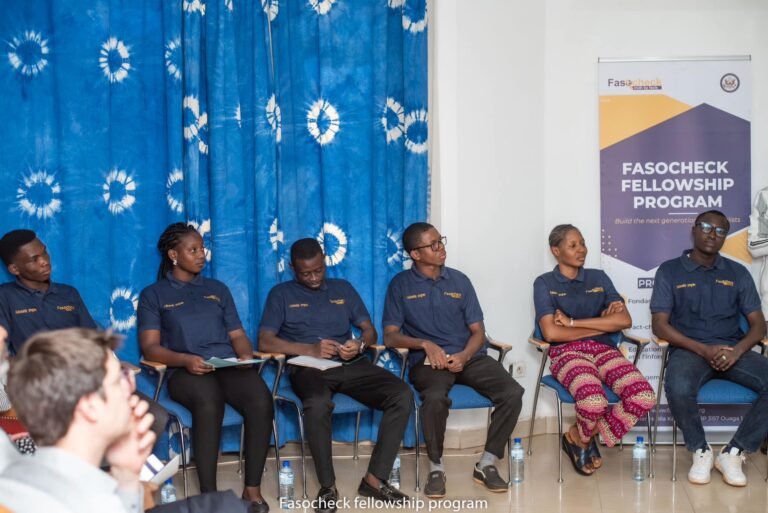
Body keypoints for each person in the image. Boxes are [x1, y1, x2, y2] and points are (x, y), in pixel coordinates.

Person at [258, 238, 412, 513]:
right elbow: (265, 341)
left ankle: (374, 480)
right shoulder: (280, 294)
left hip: (349, 364)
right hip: (307, 366)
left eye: (319, 270)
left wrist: (360, 345)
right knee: (317, 404)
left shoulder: (343, 289)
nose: (314, 278)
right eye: (306, 273)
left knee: (401, 394)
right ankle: (328, 487)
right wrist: (309, 349)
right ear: (293, 268)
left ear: (325, 261)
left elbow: (369, 330)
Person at [138, 223, 273, 512]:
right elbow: (150, 347)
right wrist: (185, 360)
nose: (202, 255)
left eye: (202, 248)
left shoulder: (217, 289)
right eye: (193, 250)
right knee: (209, 403)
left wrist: (245, 357)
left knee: (261, 399)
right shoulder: (154, 294)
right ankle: (210, 496)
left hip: (226, 365)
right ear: (174, 254)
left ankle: (252, 490)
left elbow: (237, 335)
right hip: (185, 369)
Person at [382, 222, 524, 498]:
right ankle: (436, 467)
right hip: (428, 361)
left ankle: (487, 463)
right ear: (415, 254)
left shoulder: (460, 280)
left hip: (467, 356)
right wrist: (424, 343)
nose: (441, 248)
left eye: (441, 241)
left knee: (512, 392)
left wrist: (464, 355)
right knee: (434, 398)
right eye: (432, 244)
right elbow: (390, 336)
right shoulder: (400, 285)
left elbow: (478, 331)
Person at [651, 210, 768, 487]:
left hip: (733, 350)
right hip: (690, 351)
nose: (712, 234)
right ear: (694, 229)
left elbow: (759, 325)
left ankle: (734, 452)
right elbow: (659, 325)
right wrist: (703, 350)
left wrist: (737, 351)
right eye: (706, 227)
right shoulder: (670, 270)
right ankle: (700, 450)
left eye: (720, 230)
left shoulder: (737, 272)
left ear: (725, 237)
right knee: (678, 386)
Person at [533, 224, 656, 476]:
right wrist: (600, 323)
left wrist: (572, 323)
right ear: (555, 250)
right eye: (573, 245)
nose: (582, 250)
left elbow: (624, 321)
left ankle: (580, 436)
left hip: (605, 350)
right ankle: (586, 438)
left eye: (583, 243)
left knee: (643, 396)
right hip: (566, 353)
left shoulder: (599, 278)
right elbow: (551, 334)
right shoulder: (544, 283)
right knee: (593, 401)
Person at [0, 328, 156, 513]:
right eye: (118, 380)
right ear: (90, 407)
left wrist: (126, 476)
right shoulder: (95, 505)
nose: (131, 388)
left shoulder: (14, 475)